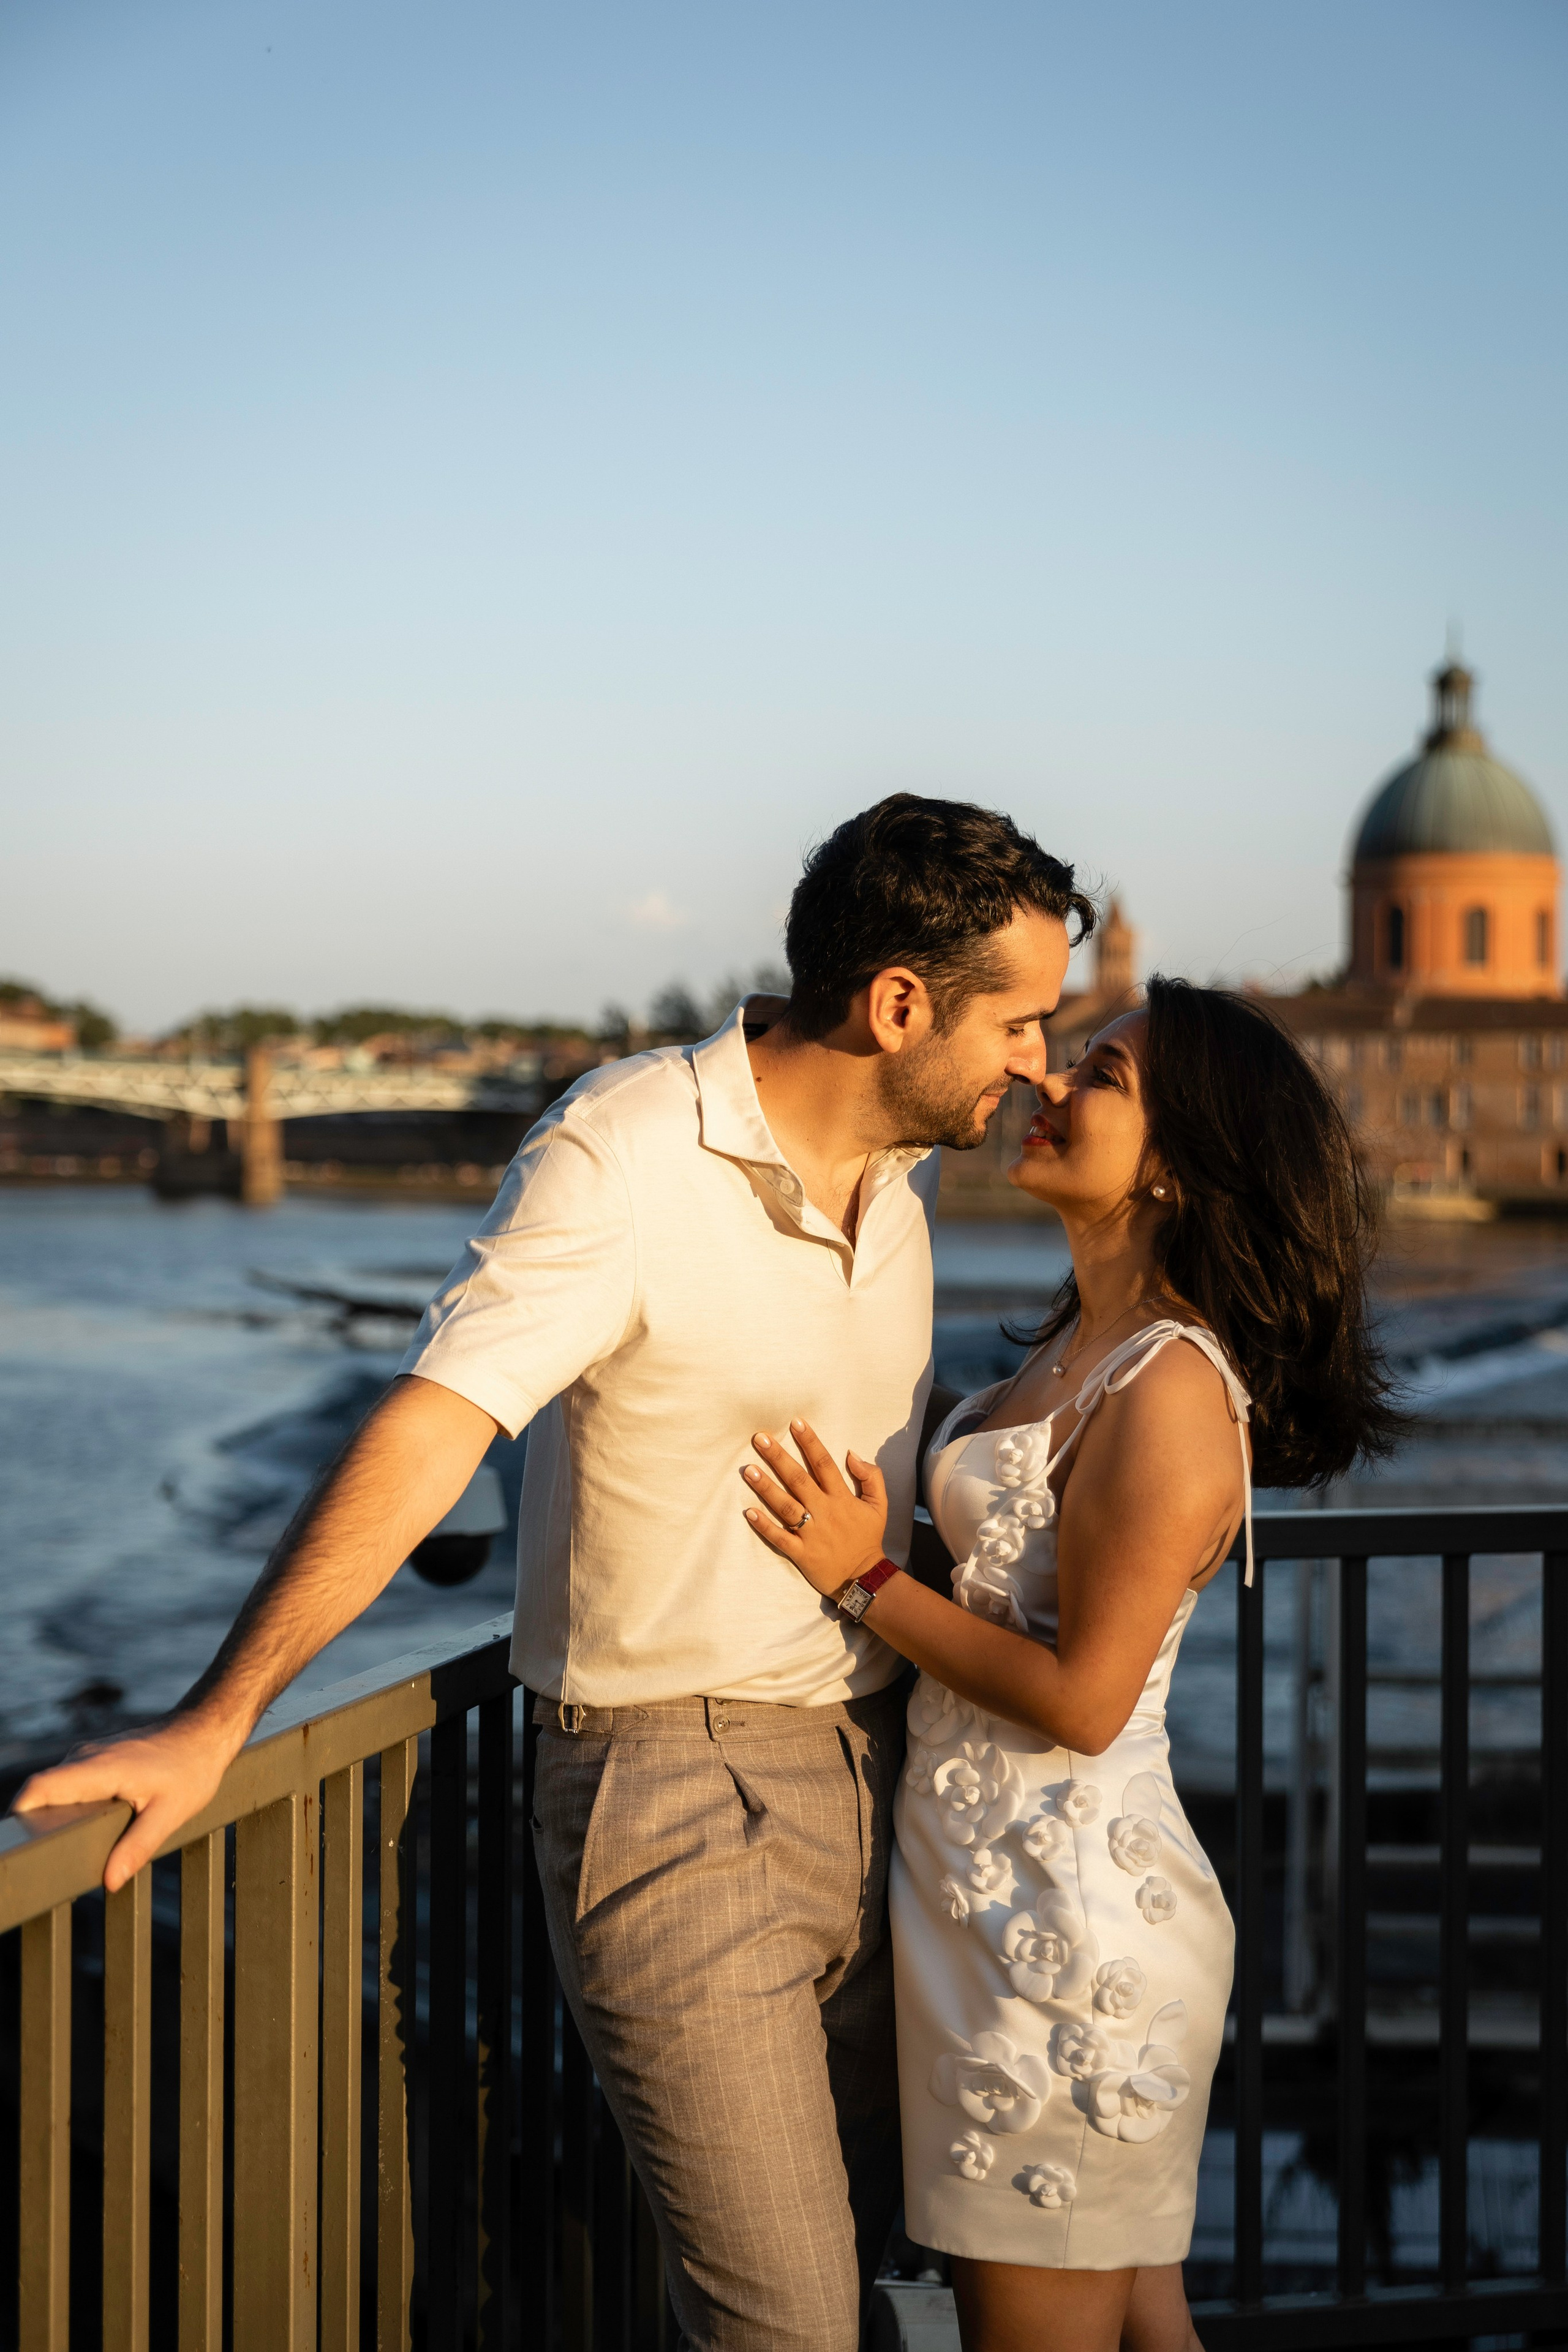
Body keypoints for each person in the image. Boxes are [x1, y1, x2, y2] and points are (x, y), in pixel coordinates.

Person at [14, 793, 1095, 2352]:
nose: (1037, 1065)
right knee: (784, 2321)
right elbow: (437, 1423)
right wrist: (217, 1717)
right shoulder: (626, 1149)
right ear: (898, 1004)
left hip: (882, 1781)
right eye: (1020, 1022)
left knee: (858, 2278)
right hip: (671, 1807)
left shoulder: (903, 1188)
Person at [738, 976, 1402, 2352]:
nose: (1046, 1086)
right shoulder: (1068, 1349)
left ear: (1177, 1163)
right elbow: (999, 1591)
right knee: (1137, 2321)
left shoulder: (1164, 1387)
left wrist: (857, 1577)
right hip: (989, 1906)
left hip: (1066, 1931)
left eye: (1099, 1076)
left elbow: (1084, 1701)